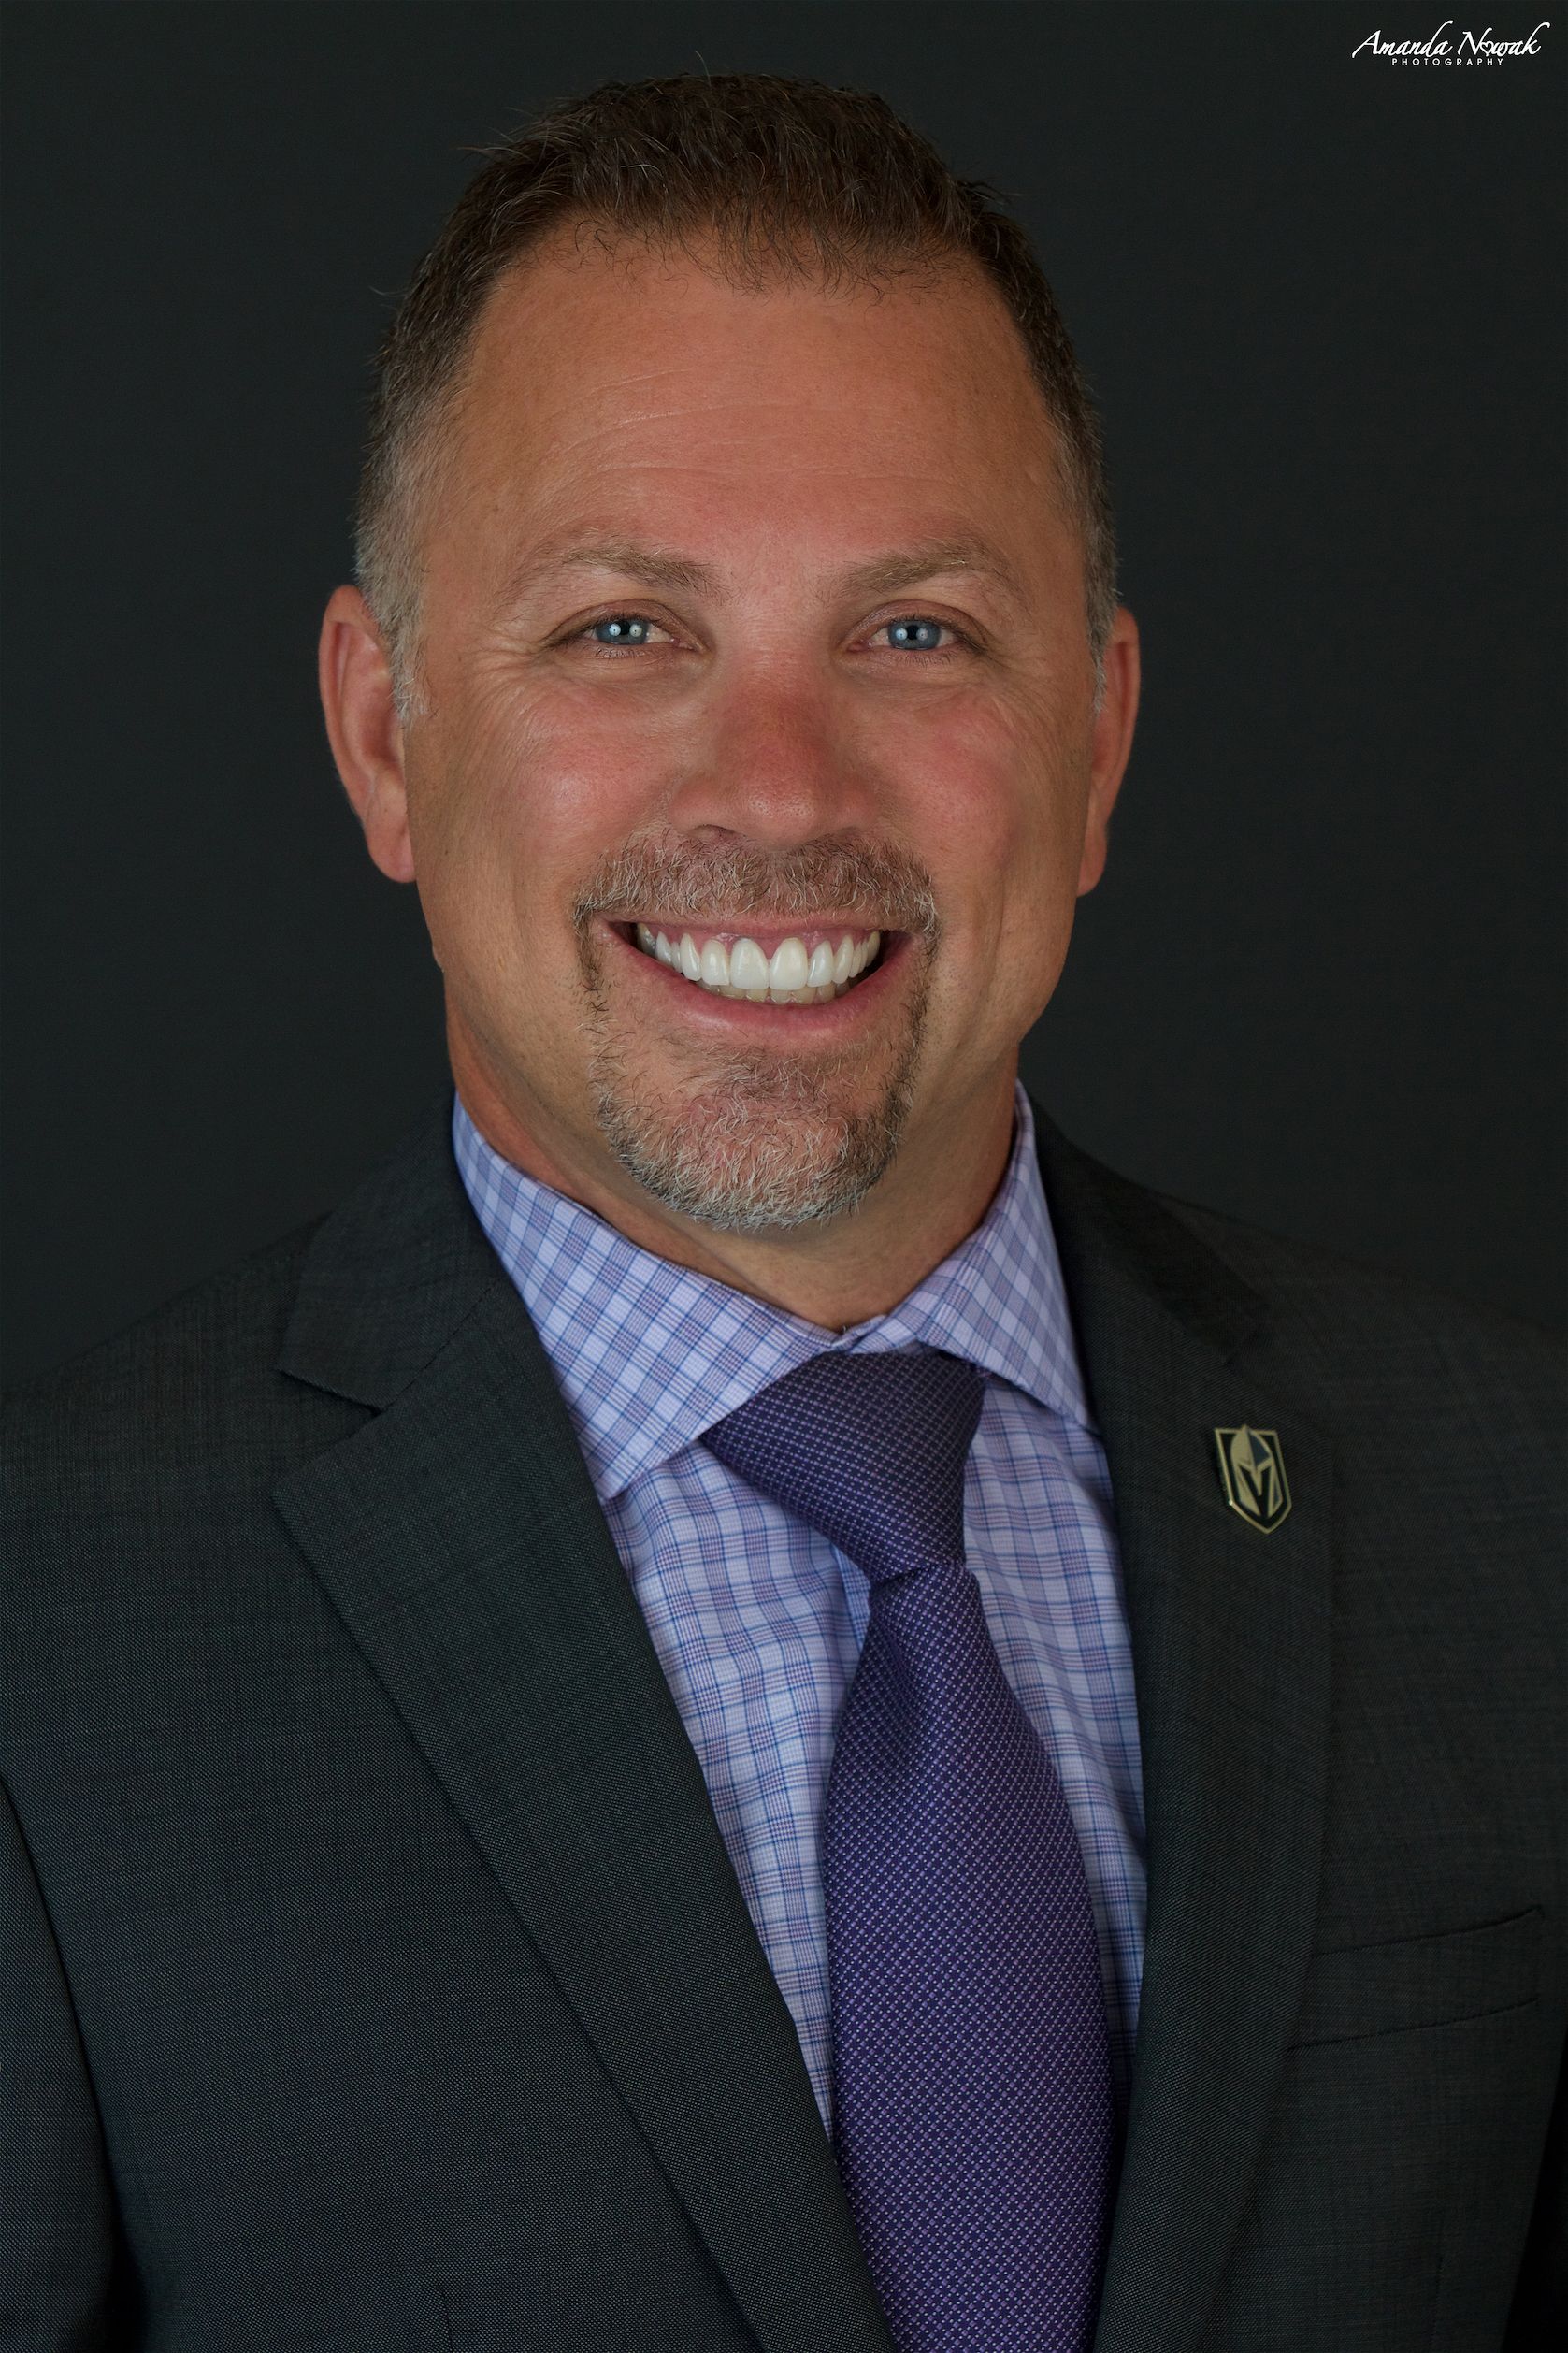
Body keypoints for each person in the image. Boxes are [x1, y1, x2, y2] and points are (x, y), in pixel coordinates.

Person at [3, 72, 1561, 2353]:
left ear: (1097, 736)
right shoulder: (48, 1637)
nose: (776, 787)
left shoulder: (1513, 1509)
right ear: (384, 733)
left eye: (912, 633)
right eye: (622, 629)